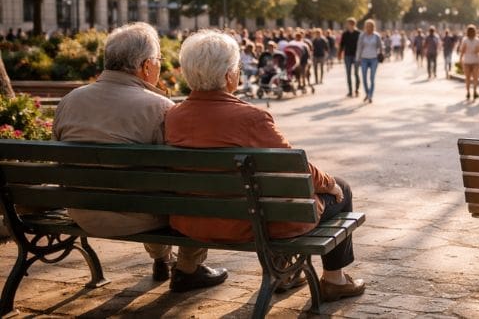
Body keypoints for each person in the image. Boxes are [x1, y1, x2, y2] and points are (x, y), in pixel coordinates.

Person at [166, 30, 365, 302]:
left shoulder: (173, 116)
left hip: (190, 222)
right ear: (229, 76)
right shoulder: (251, 117)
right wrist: (329, 183)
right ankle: (335, 280)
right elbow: (296, 168)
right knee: (341, 188)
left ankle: (285, 270)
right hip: (247, 225)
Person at [52, 22, 226, 292]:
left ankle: (161, 259)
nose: (159, 66)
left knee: (148, 186)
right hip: (137, 216)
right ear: (146, 66)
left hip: (83, 212)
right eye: (158, 60)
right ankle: (188, 267)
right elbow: (180, 175)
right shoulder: (159, 107)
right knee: (194, 187)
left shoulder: (70, 100)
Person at [356, 19, 383, 104]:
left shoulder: (376, 36)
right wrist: (358, 59)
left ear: (373, 27)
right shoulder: (362, 36)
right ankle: (367, 93)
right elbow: (359, 48)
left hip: (374, 59)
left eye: (370, 26)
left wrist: (380, 54)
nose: (368, 28)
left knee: (372, 78)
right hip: (364, 58)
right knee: (364, 78)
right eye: (367, 26)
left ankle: (370, 95)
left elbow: (380, 46)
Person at [339, 18, 361, 98]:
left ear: (352, 24)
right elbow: (342, 44)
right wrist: (340, 54)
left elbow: (361, 45)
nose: (346, 25)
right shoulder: (345, 34)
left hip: (356, 55)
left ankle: (357, 89)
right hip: (347, 55)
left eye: (347, 24)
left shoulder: (358, 33)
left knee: (356, 73)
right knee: (348, 74)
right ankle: (350, 91)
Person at [459, 25, 479, 100]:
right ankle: (473, 92)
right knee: (474, 77)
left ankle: (469, 92)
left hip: (469, 60)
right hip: (473, 60)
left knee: (468, 78)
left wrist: (460, 58)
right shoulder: (476, 40)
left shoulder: (467, 40)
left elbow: (462, 50)